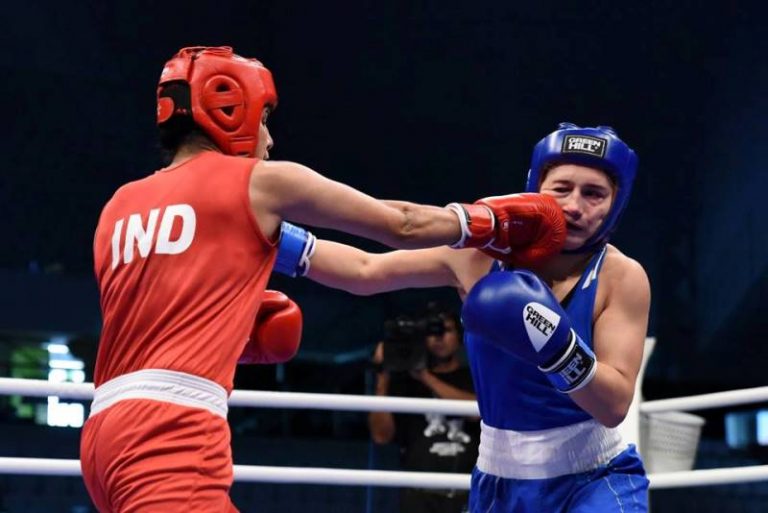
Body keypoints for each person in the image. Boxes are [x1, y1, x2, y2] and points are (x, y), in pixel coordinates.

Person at [80, 46, 566, 513]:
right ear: (229, 111)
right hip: (170, 432)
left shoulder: (118, 206)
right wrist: (491, 221)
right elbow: (401, 224)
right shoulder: (260, 184)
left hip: (103, 433)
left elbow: (360, 270)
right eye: (264, 120)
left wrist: (232, 335)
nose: (269, 140)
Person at [298, 123, 651, 511]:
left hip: (594, 479)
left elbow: (614, 406)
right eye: (561, 189)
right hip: (499, 481)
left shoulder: (620, 277)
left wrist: (558, 348)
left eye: (594, 194)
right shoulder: (480, 256)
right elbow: (365, 269)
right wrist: (276, 240)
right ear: (535, 188)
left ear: (617, 203)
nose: (573, 206)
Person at [369, 306, 478, 513]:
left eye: (445, 329)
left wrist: (426, 377)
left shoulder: (473, 376)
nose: (438, 337)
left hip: (466, 491)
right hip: (418, 494)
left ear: (459, 336)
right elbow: (381, 436)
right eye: (431, 331)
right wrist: (382, 377)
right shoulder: (405, 382)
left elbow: (477, 412)